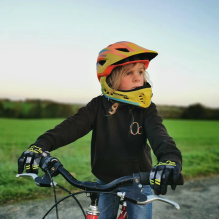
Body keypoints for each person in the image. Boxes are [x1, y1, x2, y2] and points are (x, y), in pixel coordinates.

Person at [18, 41, 182, 219]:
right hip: (105, 181)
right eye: (129, 72)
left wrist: (169, 159)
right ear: (111, 78)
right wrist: (39, 146)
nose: (138, 78)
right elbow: (70, 127)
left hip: (138, 182)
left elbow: (160, 136)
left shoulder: (146, 109)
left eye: (141, 72)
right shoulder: (98, 105)